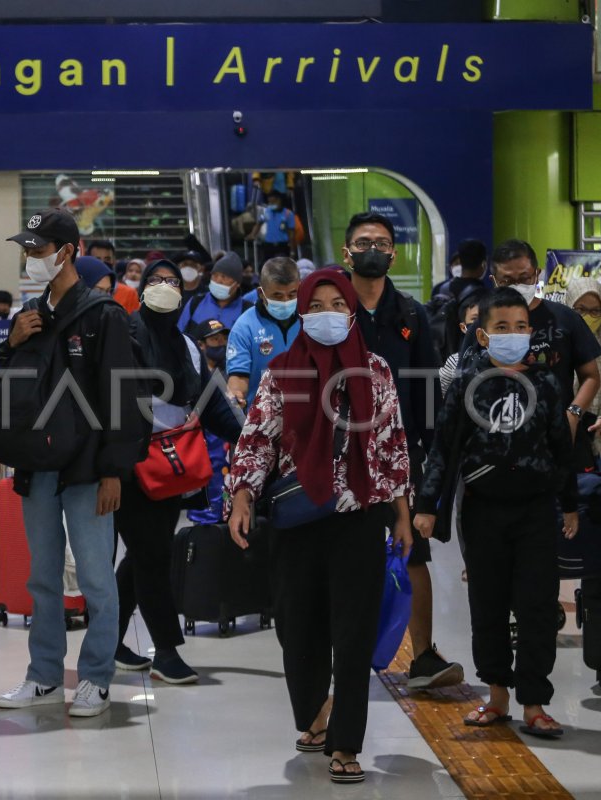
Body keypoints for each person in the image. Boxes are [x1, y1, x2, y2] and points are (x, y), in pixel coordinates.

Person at [226, 269, 413, 785]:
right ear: (303, 312)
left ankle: (347, 744)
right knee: (296, 625)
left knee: (352, 634)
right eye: (318, 305)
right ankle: (313, 714)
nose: (327, 314)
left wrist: (401, 515)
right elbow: (257, 439)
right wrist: (241, 496)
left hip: (358, 517)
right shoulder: (280, 372)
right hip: (296, 518)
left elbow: (394, 446)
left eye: (337, 304)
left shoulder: (375, 371)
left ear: (351, 311)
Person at [0, 208, 146, 718]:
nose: (31, 259)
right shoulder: (29, 316)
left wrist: (113, 471)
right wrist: (12, 345)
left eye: (38, 250)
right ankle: (43, 676)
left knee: (97, 577)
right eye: (28, 251)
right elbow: (10, 388)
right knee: (43, 577)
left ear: (66, 252)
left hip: (88, 469)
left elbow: (124, 398)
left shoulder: (103, 316)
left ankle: (97, 678)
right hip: (38, 465)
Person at [415, 287, 578, 740]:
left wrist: (570, 504)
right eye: (502, 328)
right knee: (487, 604)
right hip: (483, 511)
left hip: (535, 512)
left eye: (521, 327)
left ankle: (535, 702)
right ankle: (497, 695)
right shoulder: (468, 383)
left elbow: (562, 450)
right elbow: (442, 451)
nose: (513, 335)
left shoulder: (547, 384)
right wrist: (427, 506)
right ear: (483, 337)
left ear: (532, 332)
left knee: (537, 607)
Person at [338, 211, 458, 691]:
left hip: (399, 457)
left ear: (393, 252)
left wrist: (429, 464)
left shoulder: (411, 313)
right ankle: (343, 657)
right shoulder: (331, 309)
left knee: (413, 554)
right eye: (364, 241)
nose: (374, 248)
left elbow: (429, 391)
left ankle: (423, 655)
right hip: (341, 455)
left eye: (383, 242)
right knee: (345, 559)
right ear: (347, 252)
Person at [113, 261, 243, 681]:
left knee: (144, 554)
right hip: (129, 463)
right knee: (152, 557)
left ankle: (109, 639)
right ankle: (166, 651)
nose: (164, 287)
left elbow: (210, 401)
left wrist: (247, 440)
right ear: (142, 289)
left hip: (171, 466)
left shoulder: (185, 345)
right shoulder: (123, 335)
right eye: (156, 281)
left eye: (171, 281)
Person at [457, 239, 601, 430]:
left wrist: (573, 413)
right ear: (494, 281)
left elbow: (591, 376)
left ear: (536, 275)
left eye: (524, 278)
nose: (517, 286)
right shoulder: (482, 326)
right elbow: (462, 382)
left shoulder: (566, 319)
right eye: (507, 281)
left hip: (555, 431)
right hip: (495, 431)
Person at [227, 257, 302, 407]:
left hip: (306, 416)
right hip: (262, 421)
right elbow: (238, 376)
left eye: (292, 294)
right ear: (261, 293)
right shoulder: (244, 327)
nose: (285, 301)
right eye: (278, 296)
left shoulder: (311, 320)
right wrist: (236, 394)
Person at [565, 277, 601, 471]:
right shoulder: (557, 348)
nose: (587, 316)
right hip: (562, 442)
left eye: (595, 310)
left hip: (598, 445)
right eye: (579, 309)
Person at [187, 318, 234, 528]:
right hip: (200, 450)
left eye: (224, 338)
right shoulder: (192, 374)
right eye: (214, 339)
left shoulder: (233, 372)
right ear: (201, 345)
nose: (221, 343)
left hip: (226, 450)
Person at [177, 252, 252, 335]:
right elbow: (179, 335)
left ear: (237, 284)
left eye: (224, 277)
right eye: (215, 275)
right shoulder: (196, 302)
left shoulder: (247, 311)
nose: (218, 280)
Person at [439, 286, 487, 396]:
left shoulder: (504, 358)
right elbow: (441, 395)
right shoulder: (455, 361)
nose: (480, 324)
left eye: (486, 318)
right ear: (463, 327)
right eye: (474, 319)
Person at [249, 191, 297, 262]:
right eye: (269, 203)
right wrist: (252, 234)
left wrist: (292, 251)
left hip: (282, 246)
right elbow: (259, 223)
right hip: (269, 246)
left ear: (279, 200)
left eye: (273, 202)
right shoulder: (267, 212)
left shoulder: (288, 214)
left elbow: (291, 233)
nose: (271, 205)